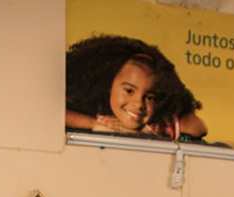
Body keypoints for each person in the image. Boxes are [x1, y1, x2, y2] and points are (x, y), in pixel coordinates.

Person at [64, 34, 207, 142]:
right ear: (108, 84)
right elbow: (53, 115)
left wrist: (148, 130)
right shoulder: (89, 106)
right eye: (129, 91)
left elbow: (200, 127)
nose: (139, 104)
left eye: (150, 97)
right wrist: (94, 124)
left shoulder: (158, 121)